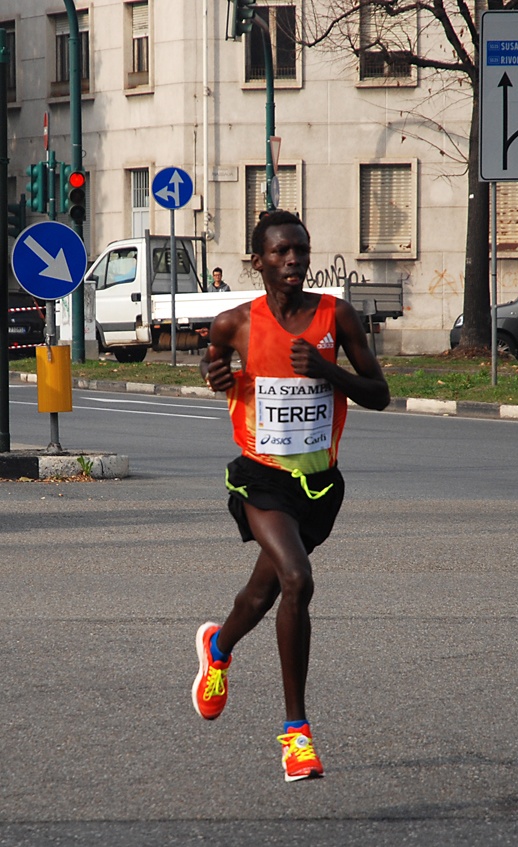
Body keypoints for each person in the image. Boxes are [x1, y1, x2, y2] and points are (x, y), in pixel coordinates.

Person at [191, 210, 390, 781]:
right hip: (262, 477)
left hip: (319, 485)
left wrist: (328, 371)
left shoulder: (336, 316)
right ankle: (296, 735)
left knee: (262, 594)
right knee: (298, 580)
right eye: (280, 252)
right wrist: (214, 375)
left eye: (300, 250)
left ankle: (218, 649)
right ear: (258, 261)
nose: (293, 261)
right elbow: (213, 365)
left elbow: (379, 393)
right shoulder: (234, 323)